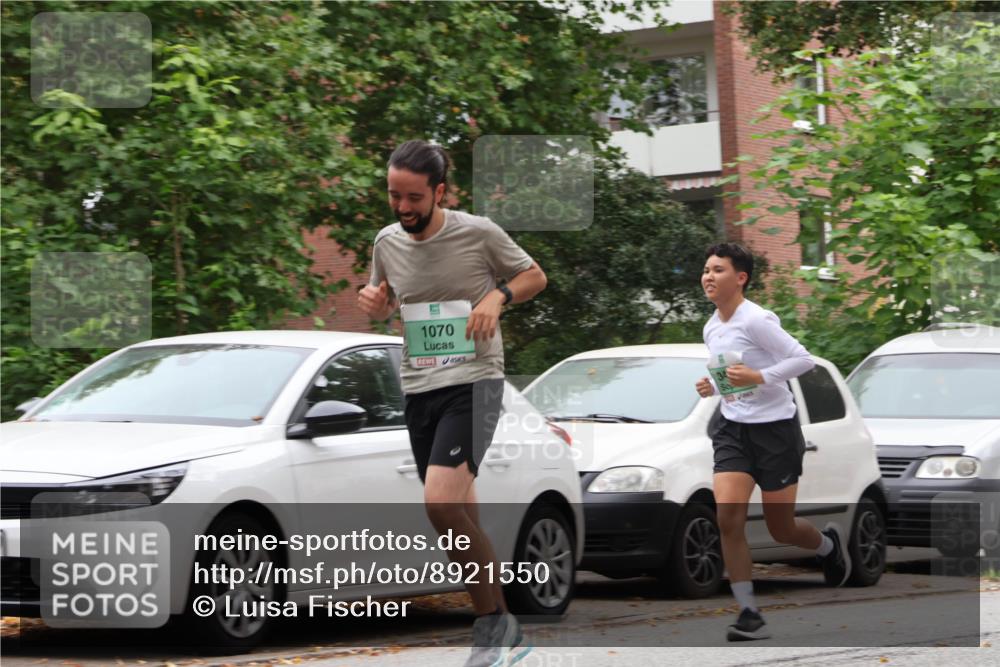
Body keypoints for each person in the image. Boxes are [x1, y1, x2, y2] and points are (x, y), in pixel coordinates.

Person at [358, 140, 547, 666]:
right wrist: (373, 302)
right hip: (420, 388)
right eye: (394, 195)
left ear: (439, 192)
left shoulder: (478, 232)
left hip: (476, 382)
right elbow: (384, 300)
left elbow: (533, 275)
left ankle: (493, 625)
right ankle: (503, 633)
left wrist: (496, 297)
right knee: (460, 514)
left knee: (440, 503)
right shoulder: (386, 242)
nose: (402, 207)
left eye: (413, 197)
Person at [694, 242, 851, 642]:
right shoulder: (712, 326)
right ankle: (749, 612)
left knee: (782, 528)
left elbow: (803, 360)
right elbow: (731, 374)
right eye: (706, 270)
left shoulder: (757, 320)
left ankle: (828, 547)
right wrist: (712, 384)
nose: (708, 276)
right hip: (733, 429)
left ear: (740, 277)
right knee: (727, 518)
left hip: (776, 430)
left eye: (718, 270)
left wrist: (761, 377)